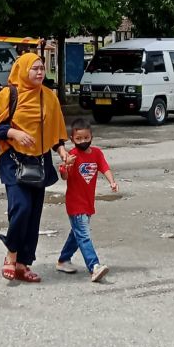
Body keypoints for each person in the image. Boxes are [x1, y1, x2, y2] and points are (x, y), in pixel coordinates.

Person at [0, 53, 70, 283]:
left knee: (33, 214)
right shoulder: (8, 95)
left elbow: (56, 131)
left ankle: (23, 263)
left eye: (42, 68)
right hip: (12, 159)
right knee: (20, 207)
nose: (40, 72)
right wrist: (14, 133)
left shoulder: (49, 97)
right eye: (35, 69)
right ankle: (11, 255)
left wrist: (61, 151)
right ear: (22, 70)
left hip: (39, 162)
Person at [55, 118, 117, 282]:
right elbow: (65, 176)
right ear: (72, 139)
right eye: (79, 139)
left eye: (86, 138)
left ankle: (63, 260)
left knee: (77, 234)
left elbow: (104, 167)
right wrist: (65, 167)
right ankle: (94, 266)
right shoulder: (72, 156)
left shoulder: (97, 153)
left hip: (88, 202)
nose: (83, 141)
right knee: (83, 234)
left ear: (91, 137)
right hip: (75, 203)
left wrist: (112, 181)